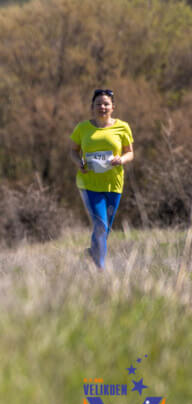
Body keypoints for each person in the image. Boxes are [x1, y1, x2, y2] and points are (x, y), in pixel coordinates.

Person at [69, 89, 134, 269]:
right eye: (98, 104)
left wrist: (121, 159)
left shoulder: (122, 127)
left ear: (113, 107)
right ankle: (100, 270)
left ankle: (92, 254)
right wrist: (79, 162)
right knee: (100, 225)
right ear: (92, 107)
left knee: (105, 230)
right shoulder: (82, 128)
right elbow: (73, 151)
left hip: (113, 184)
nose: (102, 107)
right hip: (89, 183)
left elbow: (130, 153)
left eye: (106, 104)